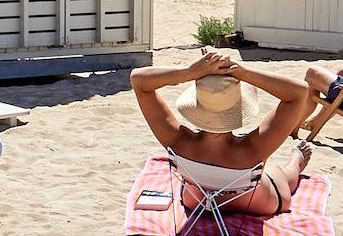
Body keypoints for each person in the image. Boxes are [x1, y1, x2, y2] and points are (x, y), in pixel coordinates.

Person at [131, 48, 314, 216]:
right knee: (278, 173)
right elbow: (299, 92)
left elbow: (138, 80)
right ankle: (296, 162)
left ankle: (294, 162)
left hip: (197, 203)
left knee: (202, 181)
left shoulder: (178, 141)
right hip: (257, 206)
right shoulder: (254, 149)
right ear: (239, 107)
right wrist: (242, 72)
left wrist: (191, 72)